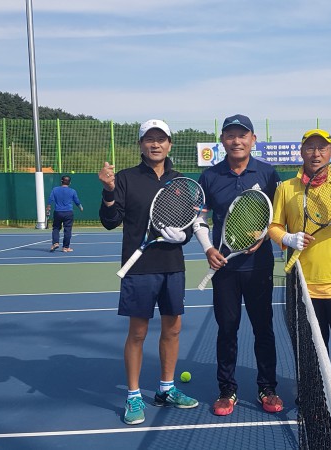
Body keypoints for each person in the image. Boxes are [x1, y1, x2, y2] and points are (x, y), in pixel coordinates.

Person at [98, 119, 204, 426]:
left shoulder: (181, 181)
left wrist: (183, 236)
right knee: (138, 333)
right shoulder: (125, 178)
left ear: (170, 144)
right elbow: (110, 221)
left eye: (161, 139)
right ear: (140, 144)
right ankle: (133, 395)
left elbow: (188, 224)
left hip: (172, 266)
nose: (155, 144)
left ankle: (166, 389)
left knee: (173, 329)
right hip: (139, 269)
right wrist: (108, 191)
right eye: (149, 139)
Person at [268, 128, 331, 425]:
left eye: (322, 148)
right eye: (310, 147)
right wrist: (287, 238)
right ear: (302, 152)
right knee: (310, 353)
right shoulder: (286, 188)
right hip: (303, 285)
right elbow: (274, 226)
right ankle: (312, 399)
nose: (316, 153)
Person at [197, 114, 283, 416]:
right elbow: (200, 218)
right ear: (222, 140)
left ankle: (267, 388)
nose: (237, 141)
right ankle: (227, 390)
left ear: (253, 139)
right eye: (230, 135)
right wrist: (208, 248)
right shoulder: (210, 177)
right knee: (227, 330)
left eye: (242, 135)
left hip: (259, 267)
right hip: (225, 269)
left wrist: (266, 233)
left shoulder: (269, 174)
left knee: (264, 329)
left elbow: (279, 216)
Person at [47, 175, 84, 252]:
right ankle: (65, 247)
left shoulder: (55, 189)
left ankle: (55, 243)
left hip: (58, 212)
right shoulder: (72, 191)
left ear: (61, 181)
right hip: (68, 212)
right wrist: (80, 207)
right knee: (68, 230)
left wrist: (48, 208)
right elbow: (77, 201)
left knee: (56, 228)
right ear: (70, 183)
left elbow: (50, 199)